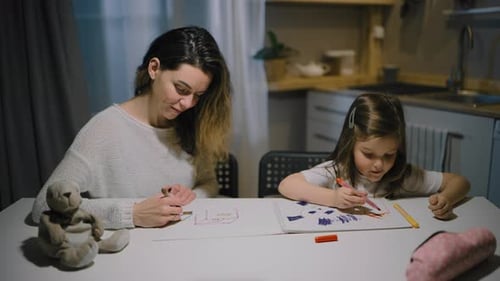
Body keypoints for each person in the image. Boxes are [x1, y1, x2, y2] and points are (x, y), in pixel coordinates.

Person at [32, 26, 232, 229]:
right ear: (154, 69)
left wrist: (190, 196)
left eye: (198, 95)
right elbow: (42, 207)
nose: (188, 103)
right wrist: (133, 213)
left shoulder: (190, 122)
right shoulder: (104, 129)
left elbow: (209, 183)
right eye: (181, 89)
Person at [278, 93, 470, 220]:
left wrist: (446, 198)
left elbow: (460, 182)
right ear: (350, 143)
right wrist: (333, 197)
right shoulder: (337, 170)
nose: (379, 164)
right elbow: (287, 185)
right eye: (368, 154)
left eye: (389, 155)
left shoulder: (402, 176)